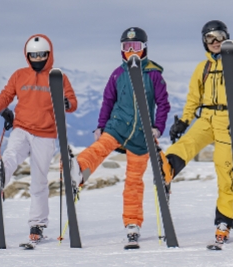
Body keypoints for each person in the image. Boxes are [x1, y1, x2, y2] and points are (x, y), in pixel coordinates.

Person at [71, 27, 170, 248]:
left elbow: (163, 104)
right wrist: (101, 125)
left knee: (134, 181)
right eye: (127, 47)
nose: (131, 52)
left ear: (144, 49)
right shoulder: (118, 74)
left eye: (135, 47)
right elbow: (108, 100)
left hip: (142, 135)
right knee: (101, 147)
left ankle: (132, 223)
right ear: (121, 50)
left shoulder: (154, 74)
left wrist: (158, 128)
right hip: (118, 125)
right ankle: (78, 169)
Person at [162, 20, 233, 247]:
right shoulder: (202, 68)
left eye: (218, 36)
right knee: (188, 142)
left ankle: (224, 222)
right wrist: (184, 121)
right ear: (204, 42)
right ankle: (167, 166)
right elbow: (193, 98)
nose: (214, 42)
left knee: (225, 169)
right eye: (209, 38)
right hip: (206, 117)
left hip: (228, 119)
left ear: (226, 37)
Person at [0, 34, 77, 245]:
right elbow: (6, 95)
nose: (37, 59)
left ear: (49, 54)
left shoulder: (58, 77)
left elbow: (72, 101)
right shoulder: (20, 75)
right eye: (33, 55)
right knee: (11, 154)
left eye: (41, 55)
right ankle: (1, 174)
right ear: (27, 56)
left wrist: (67, 104)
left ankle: (37, 223)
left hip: (46, 134)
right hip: (22, 128)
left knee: (39, 179)